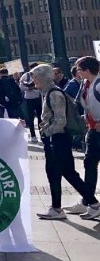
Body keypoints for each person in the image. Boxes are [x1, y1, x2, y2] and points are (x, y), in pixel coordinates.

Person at [32, 63, 100, 220]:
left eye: (36, 76)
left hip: (58, 139)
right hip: (55, 139)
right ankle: (57, 208)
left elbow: (60, 121)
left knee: (66, 173)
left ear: (43, 76)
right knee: (56, 173)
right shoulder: (47, 92)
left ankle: (92, 203)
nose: (34, 80)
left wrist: (45, 131)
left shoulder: (54, 93)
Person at [64, 56, 100, 217]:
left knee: (90, 163)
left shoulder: (98, 84)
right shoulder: (85, 84)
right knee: (89, 163)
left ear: (86, 70)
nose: (77, 72)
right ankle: (88, 202)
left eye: (79, 68)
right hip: (93, 130)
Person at [21, 63, 43, 142]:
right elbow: (21, 87)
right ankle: (33, 135)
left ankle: (42, 134)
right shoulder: (26, 76)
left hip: (38, 98)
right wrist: (30, 88)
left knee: (41, 117)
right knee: (30, 118)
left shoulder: (41, 75)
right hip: (29, 99)